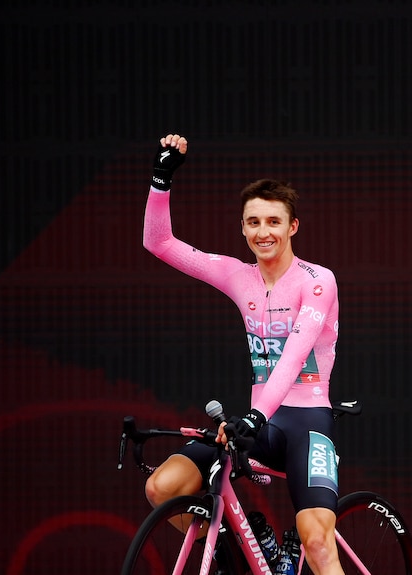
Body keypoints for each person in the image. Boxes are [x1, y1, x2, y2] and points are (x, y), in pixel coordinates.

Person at [142, 133, 344, 575]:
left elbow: (293, 356)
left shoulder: (317, 280)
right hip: (261, 424)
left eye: (273, 221)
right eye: (253, 222)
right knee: (162, 486)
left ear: (292, 227)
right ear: (242, 228)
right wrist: (161, 178)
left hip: (307, 422)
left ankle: (293, 550)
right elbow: (160, 244)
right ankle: (245, 550)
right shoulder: (239, 276)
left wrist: (255, 416)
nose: (262, 232)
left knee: (317, 540)